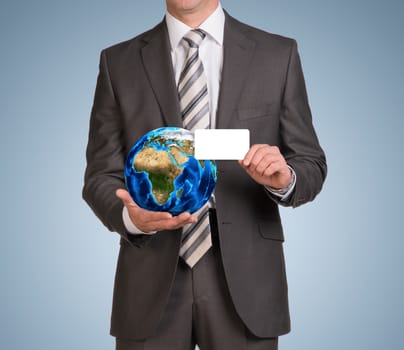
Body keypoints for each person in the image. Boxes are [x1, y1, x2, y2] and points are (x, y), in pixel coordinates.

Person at [83, 1, 327, 349]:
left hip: (247, 280)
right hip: (149, 278)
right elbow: (99, 176)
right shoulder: (118, 62)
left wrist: (285, 178)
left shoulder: (277, 55)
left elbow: (310, 163)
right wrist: (131, 218)